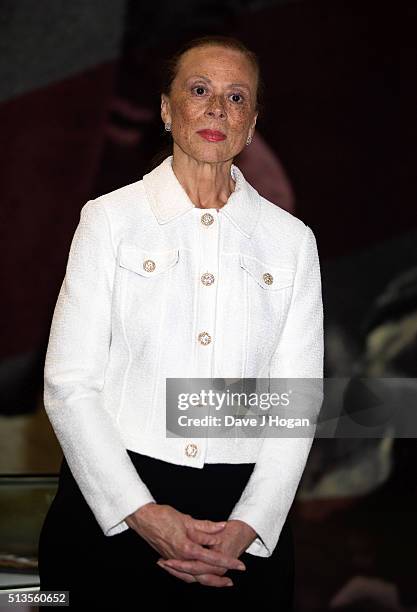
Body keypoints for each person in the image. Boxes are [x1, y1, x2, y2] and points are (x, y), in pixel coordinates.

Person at [37, 34, 323, 608]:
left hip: (242, 521)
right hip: (114, 506)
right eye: (200, 90)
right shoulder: (109, 220)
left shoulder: (292, 241)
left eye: (236, 97)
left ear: (252, 123)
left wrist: (252, 522)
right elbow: (69, 385)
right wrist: (140, 513)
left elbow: (297, 400)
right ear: (167, 110)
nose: (218, 107)